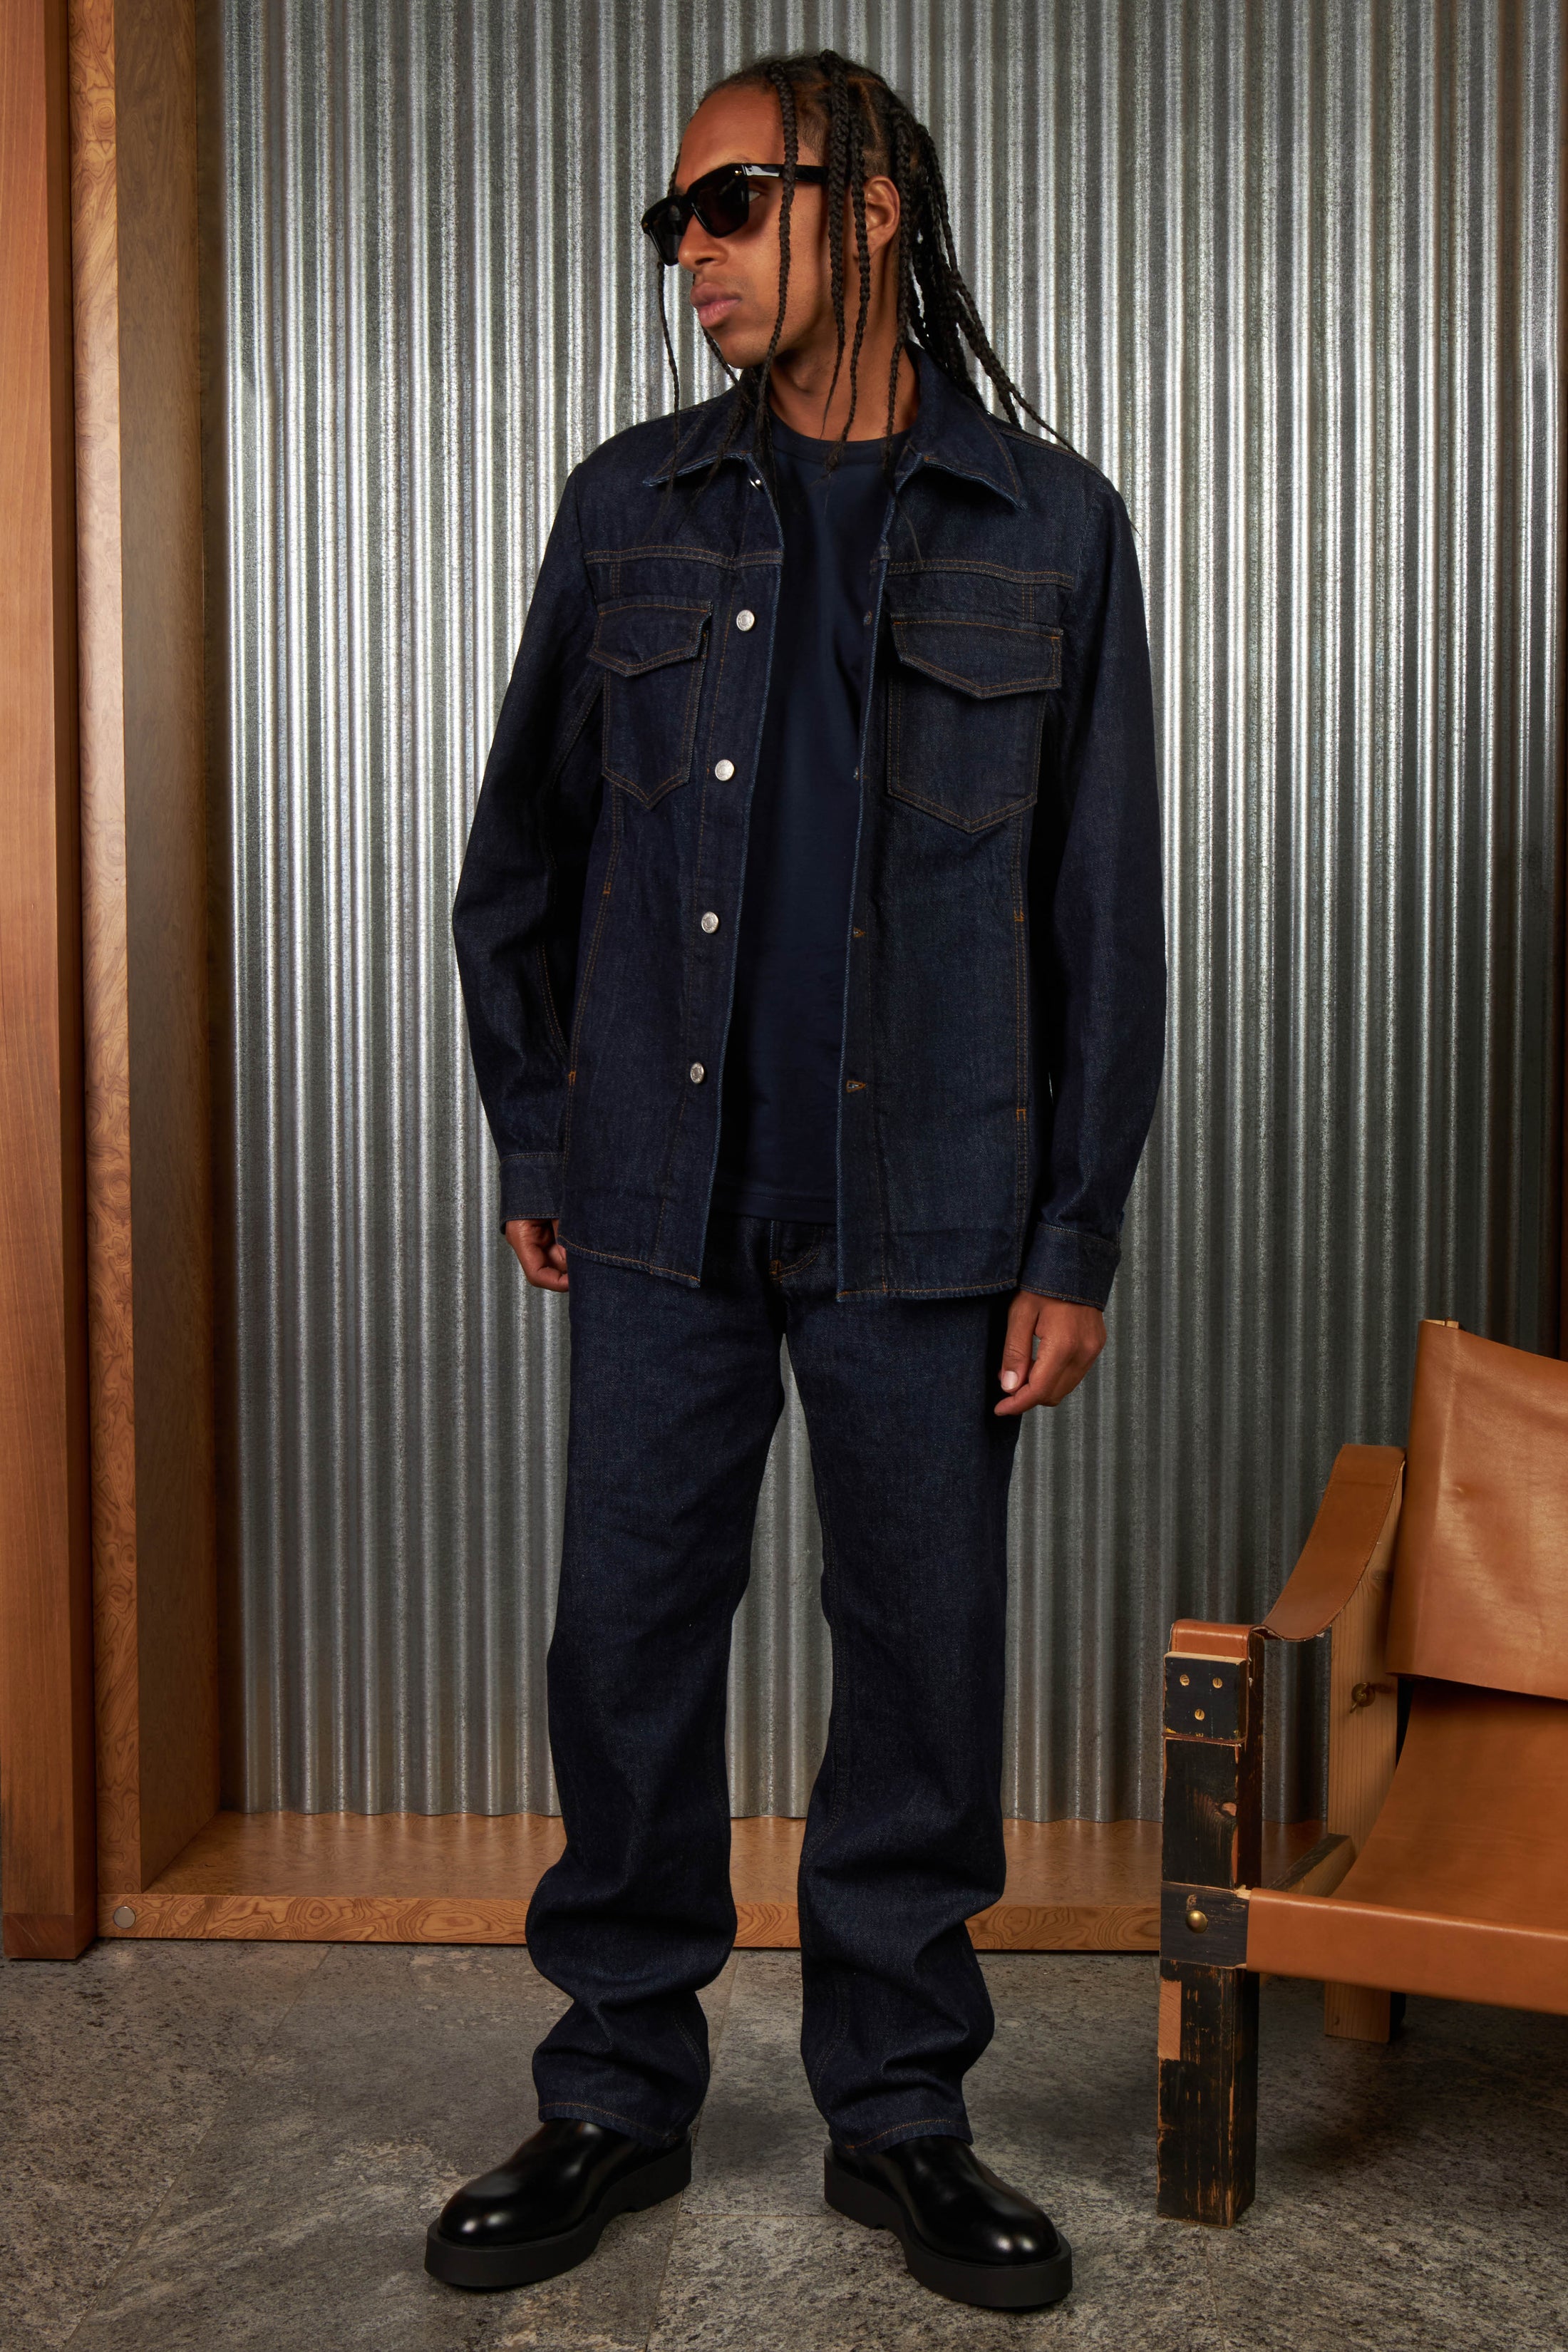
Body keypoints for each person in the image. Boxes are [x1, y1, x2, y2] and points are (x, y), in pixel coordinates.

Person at [429, 45, 1164, 2315]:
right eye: (674, 220)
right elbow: (519, 858)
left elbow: (1103, 920)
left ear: (871, 204)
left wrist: (1073, 1235)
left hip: (934, 1207)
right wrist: (543, 1126)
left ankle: (904, 2113)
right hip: (659, 1196)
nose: (693, 255)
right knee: (626, 1641)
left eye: (730, 204)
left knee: (922, 1662)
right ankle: (613, 2090)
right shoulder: (630, 507)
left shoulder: (1053, 526)